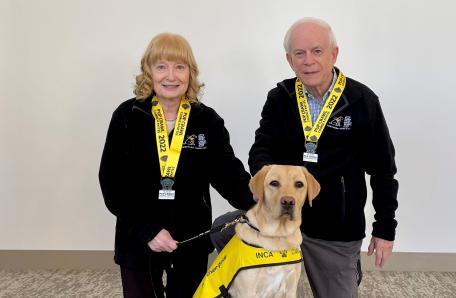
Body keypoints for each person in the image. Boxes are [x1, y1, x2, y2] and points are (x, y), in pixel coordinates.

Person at [212, 17, 399, 298]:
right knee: (221, 229)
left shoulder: (362, 101)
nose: (308, 60)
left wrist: (385, 228)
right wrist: (271, 184)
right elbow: (261, 148)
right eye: (299, 53)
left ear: (334, 54)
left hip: (333, 230)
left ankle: (344, 267)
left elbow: (383, 170)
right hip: (279, 222)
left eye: (317, 51)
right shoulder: (280, 97)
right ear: (289, 60)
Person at [99, 33, 254, 298]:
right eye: (161, 66)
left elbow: (229, 175)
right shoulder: (127, 116)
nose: (171, 76)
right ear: (148, 71)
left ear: (190, 73)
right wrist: (147, 230)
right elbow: (112, 184)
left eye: (179, 67)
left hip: (189, 240)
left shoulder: (207, 120)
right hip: (137, 238)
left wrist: (266, 199)